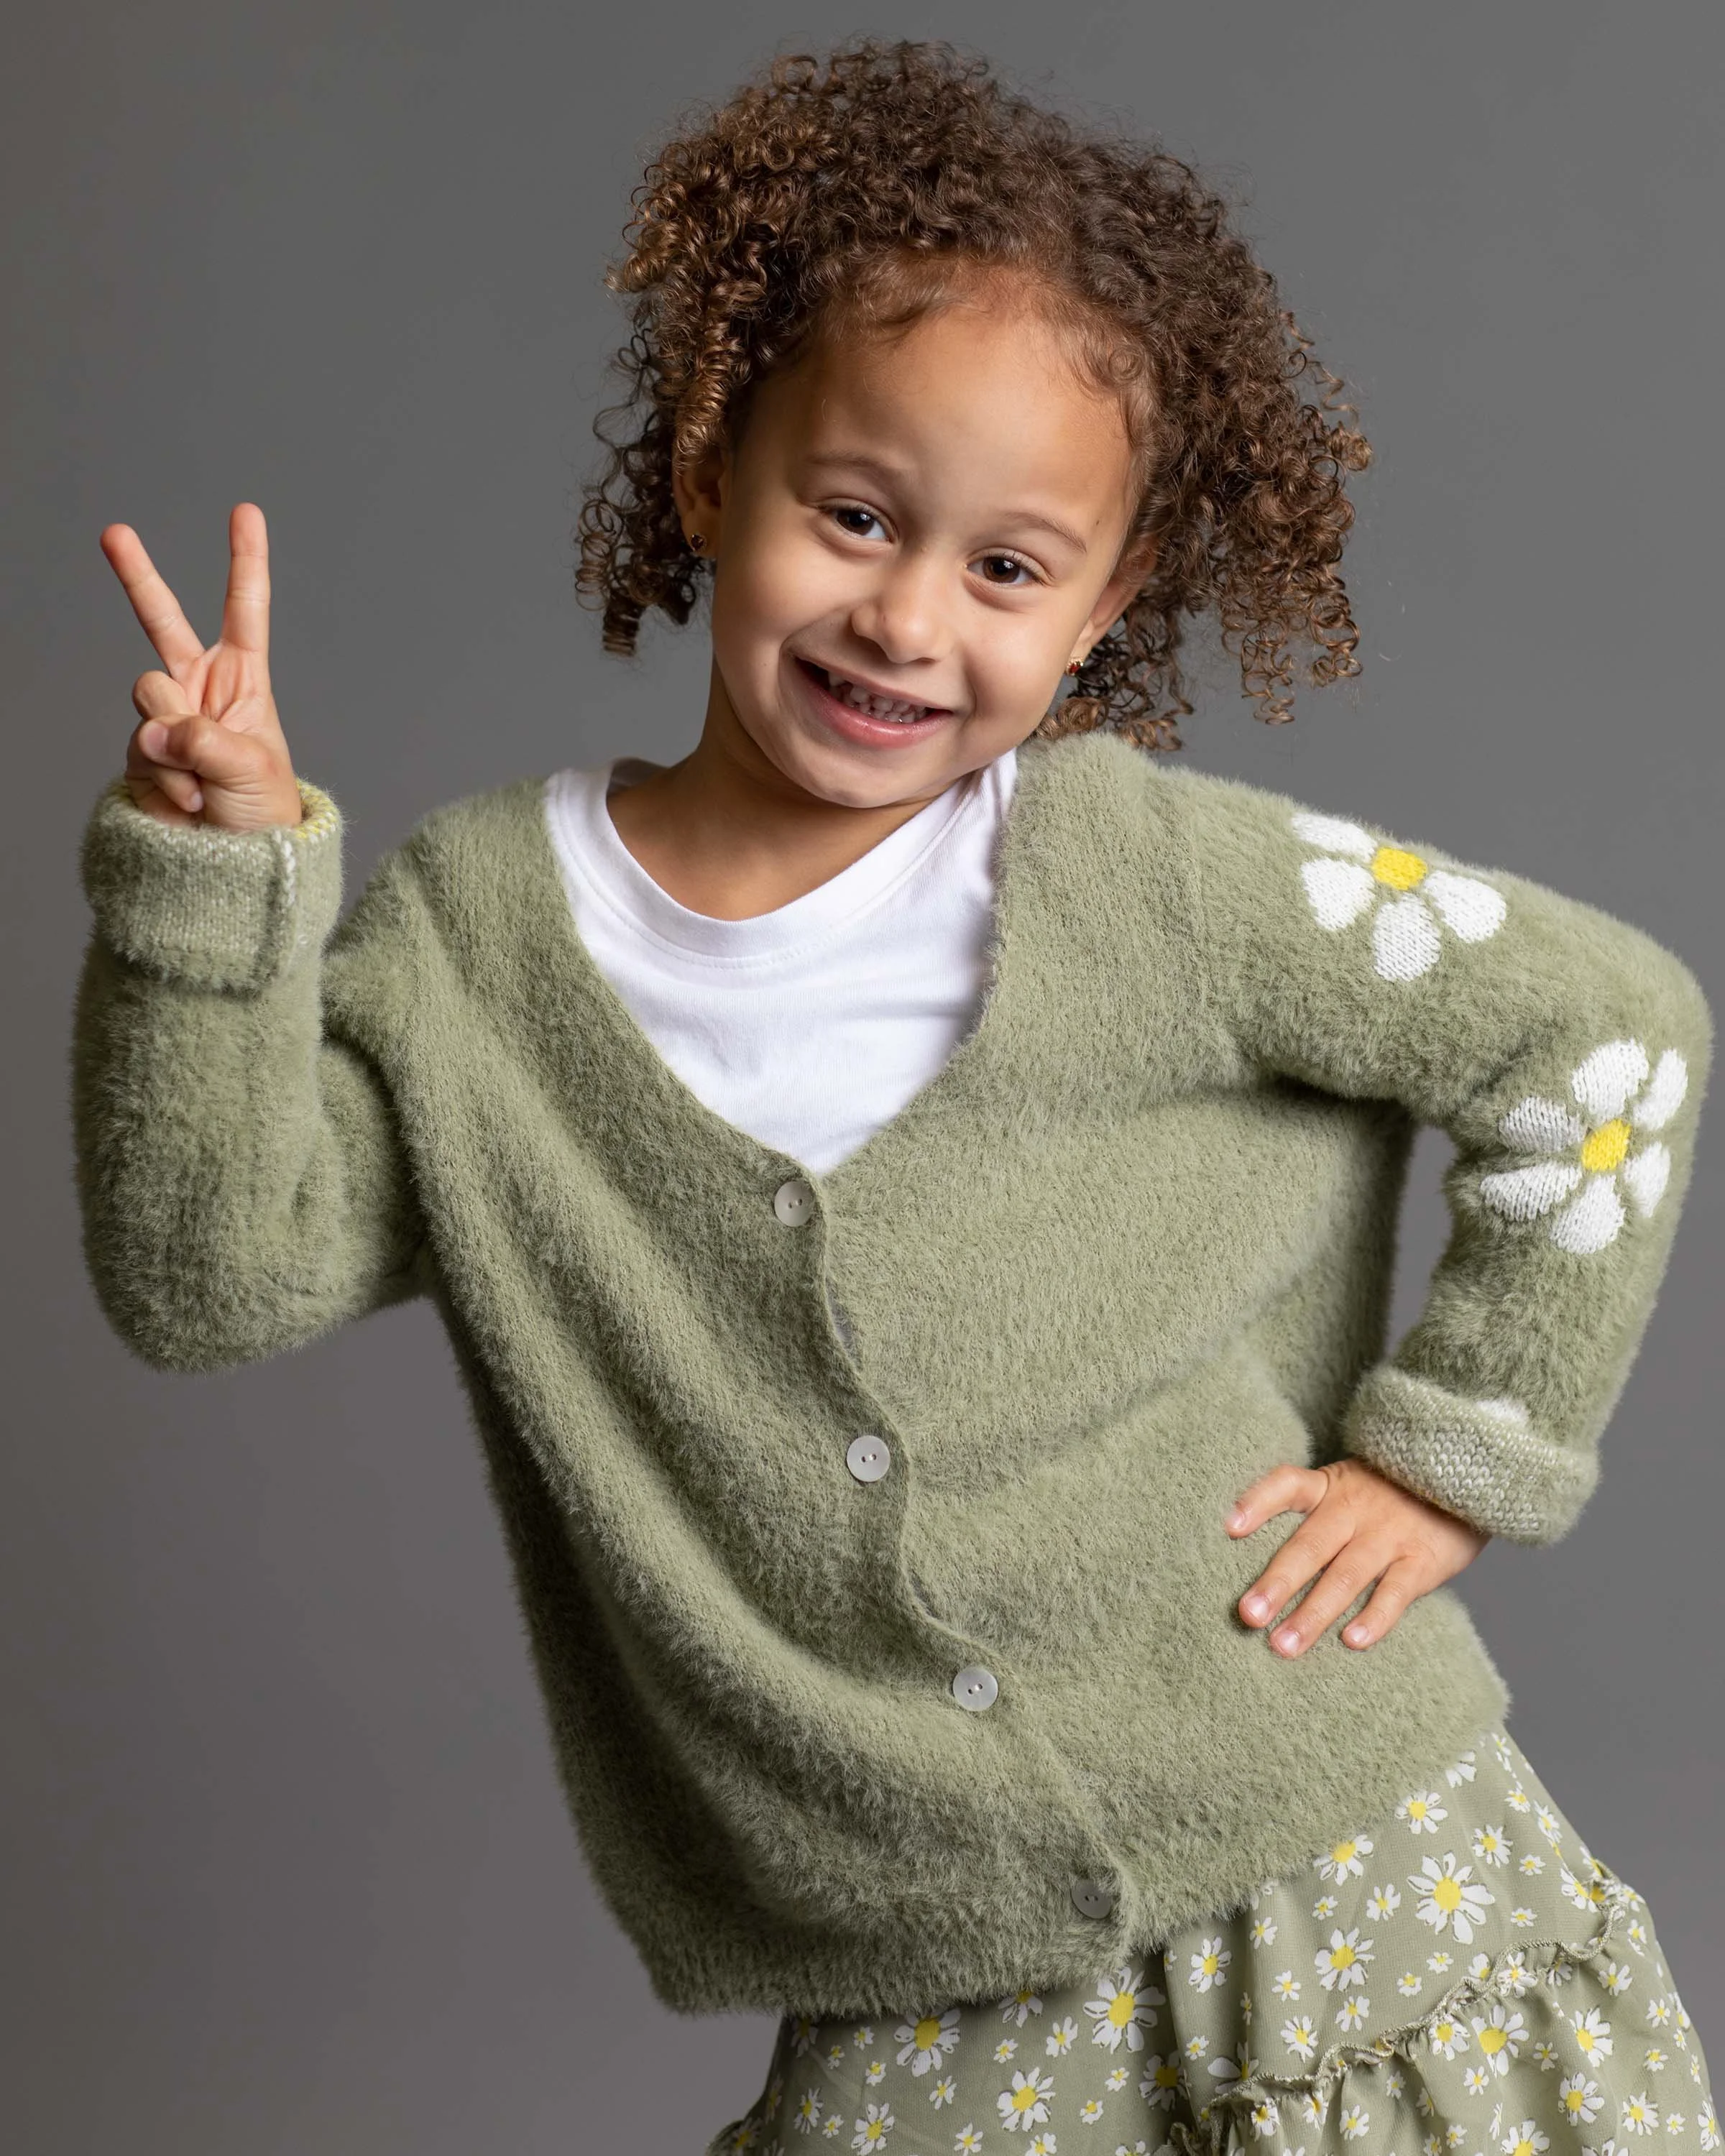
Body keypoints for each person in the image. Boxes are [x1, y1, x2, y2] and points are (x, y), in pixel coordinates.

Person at [74, 39, 1714, 2156]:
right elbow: (213, 1272)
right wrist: (215, 875)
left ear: (1105, 609)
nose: (907, 617)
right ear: (707, 473)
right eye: (851, 514)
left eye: (1011, 570)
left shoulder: (1142, 878)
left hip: (1343, 1851)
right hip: (911, 1968)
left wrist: (1460, 1452)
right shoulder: (482, 938)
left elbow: (1608, 1033)